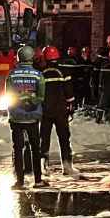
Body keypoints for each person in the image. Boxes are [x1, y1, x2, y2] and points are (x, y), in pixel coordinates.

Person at [7, 45, 46, 189]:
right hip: (32, 116)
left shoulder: (12, 75)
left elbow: (9, 96)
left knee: (18, 149)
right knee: (35, 148)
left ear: (19, 58)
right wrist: (30, 101)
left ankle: (20, 181)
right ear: (31, 58)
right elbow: (41, 97)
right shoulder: (38, 75)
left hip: (16, 117)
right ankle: (38, 180)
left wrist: (19, 101)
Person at [40, 46, 78, 177]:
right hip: (61, 111)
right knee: (64, 138)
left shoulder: (41, 72)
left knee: (44, 139)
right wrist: (71, 105)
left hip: (46, 111)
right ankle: (67, 166)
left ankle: (43, 166)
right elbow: (69, 92)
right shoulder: (63, 71)